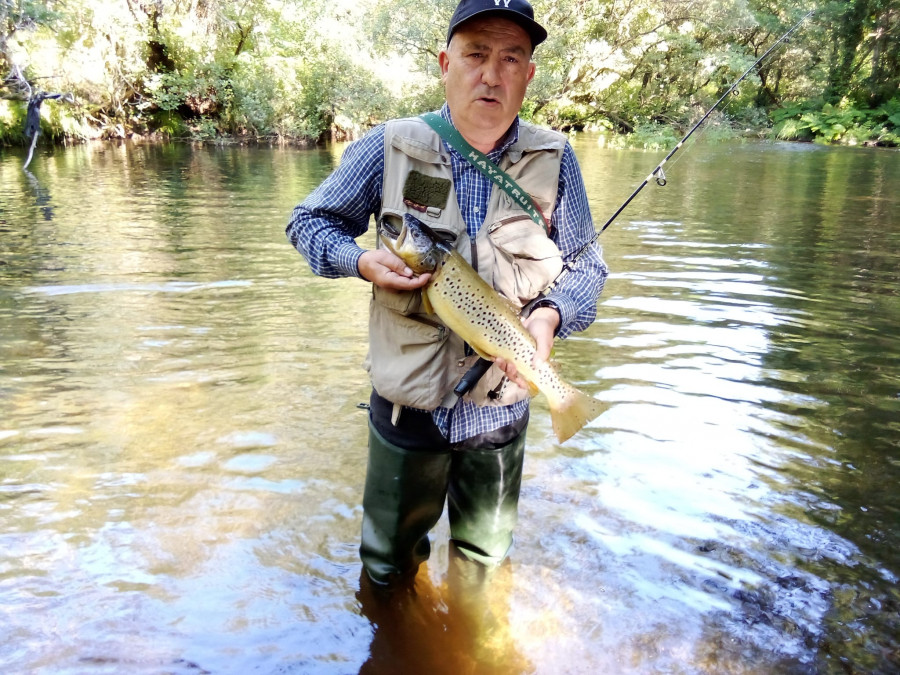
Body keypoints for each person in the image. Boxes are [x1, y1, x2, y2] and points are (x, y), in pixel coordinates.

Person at [286, 0, 608, 586]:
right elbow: (308, 223)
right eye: (476, 54)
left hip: (501, 406)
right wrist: (360, 261)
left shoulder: (556, 161)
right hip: (408, 408)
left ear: (529, 73)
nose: (492, 73)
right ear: (445, 62)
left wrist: (551, 318)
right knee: (385, 567)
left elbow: (587, 267)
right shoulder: (390, 145)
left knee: (485, 569)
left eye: (511, 58)